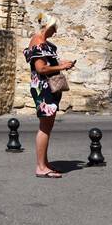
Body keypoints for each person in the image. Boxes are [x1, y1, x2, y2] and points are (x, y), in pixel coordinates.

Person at [24, 14, 75, 177]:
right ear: (48, 26)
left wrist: (61, 64)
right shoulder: (38, 42)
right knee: (45, 127)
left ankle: (44, 163)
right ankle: (40, 167)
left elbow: (47, 64)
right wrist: (62, 66)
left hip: (48, 88)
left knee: (47, 126)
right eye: (54, 28)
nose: (55, 32)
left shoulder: (44, 43)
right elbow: (41, 69)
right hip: (43, 89)